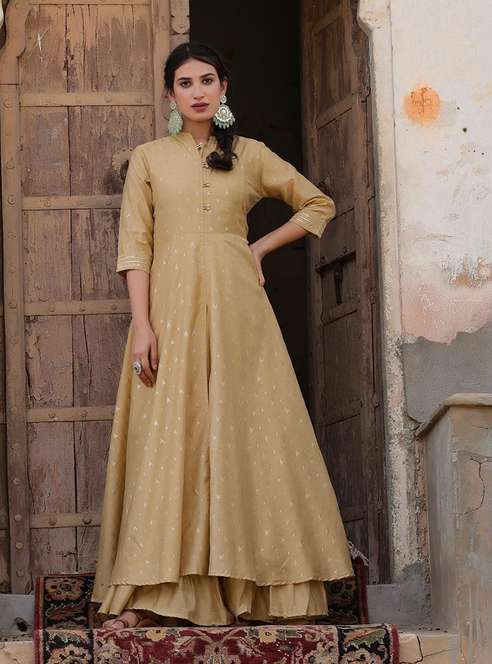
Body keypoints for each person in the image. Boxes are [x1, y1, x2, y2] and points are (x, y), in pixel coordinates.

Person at [90, 40, 354, 630]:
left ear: (224, 88)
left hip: (240, 315)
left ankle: (270, 595)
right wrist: (142, 325)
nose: (198, 92)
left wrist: (256, 247)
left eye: (207, 80)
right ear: (170, 94)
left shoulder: (251, 155)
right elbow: (135, 248)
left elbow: (317, 204)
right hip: (170, 313)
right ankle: (152, 596)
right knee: (171, 439)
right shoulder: (149, 159)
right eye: (185, 83)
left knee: (248, 434)